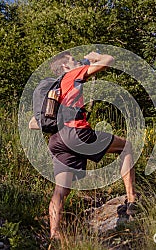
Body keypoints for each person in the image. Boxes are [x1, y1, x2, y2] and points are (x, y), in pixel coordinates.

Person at [47, 51, 137, 242]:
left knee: (60, 190)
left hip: (58, 139)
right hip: (76, 132)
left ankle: (54, 232)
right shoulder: (71, 74)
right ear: (65, 66)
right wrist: (95, 55)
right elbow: (109, 61)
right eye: (73, 60)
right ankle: (132, 200)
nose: (77, 61)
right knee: (126, 146)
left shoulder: (56, 86)